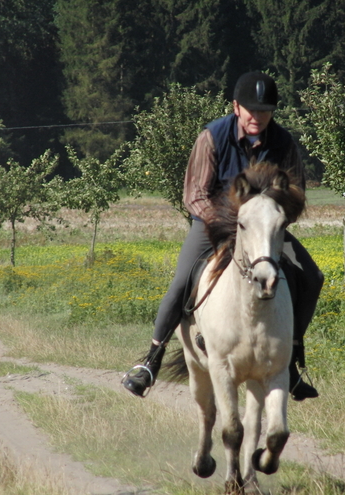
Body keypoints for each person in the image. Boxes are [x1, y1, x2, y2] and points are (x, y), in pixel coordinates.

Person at [122, 71, 324, 401]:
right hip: (212, 227)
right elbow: (195, 195)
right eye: (251, 110)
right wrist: (230, 223)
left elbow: (298, 193)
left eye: (265, 110)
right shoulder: (212, 137)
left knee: (312, 276)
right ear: (236, 107)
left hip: (263, 232)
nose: (258, 117)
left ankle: (291, 362)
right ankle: (150, 361)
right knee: (184, 279)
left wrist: (269, 219)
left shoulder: (284, 142)